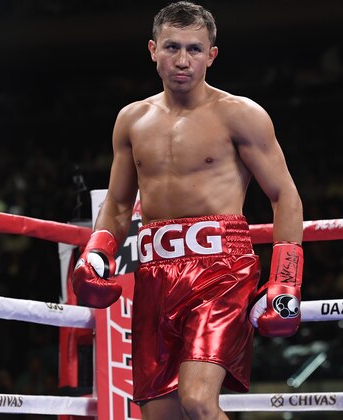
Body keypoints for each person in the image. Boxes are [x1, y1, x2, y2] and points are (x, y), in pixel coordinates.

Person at [72, 2, 303, 419]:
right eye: (172, 47)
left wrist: (286, 280)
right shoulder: (131, 120)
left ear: (212, 55)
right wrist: (97, 251)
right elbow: (121, 203)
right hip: (156, 272)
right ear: (152, 50)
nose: (182, 60)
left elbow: (284, 195)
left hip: (221, 270)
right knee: (160, 415)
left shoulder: (240, 114)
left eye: (195, 49)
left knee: (198, 400)